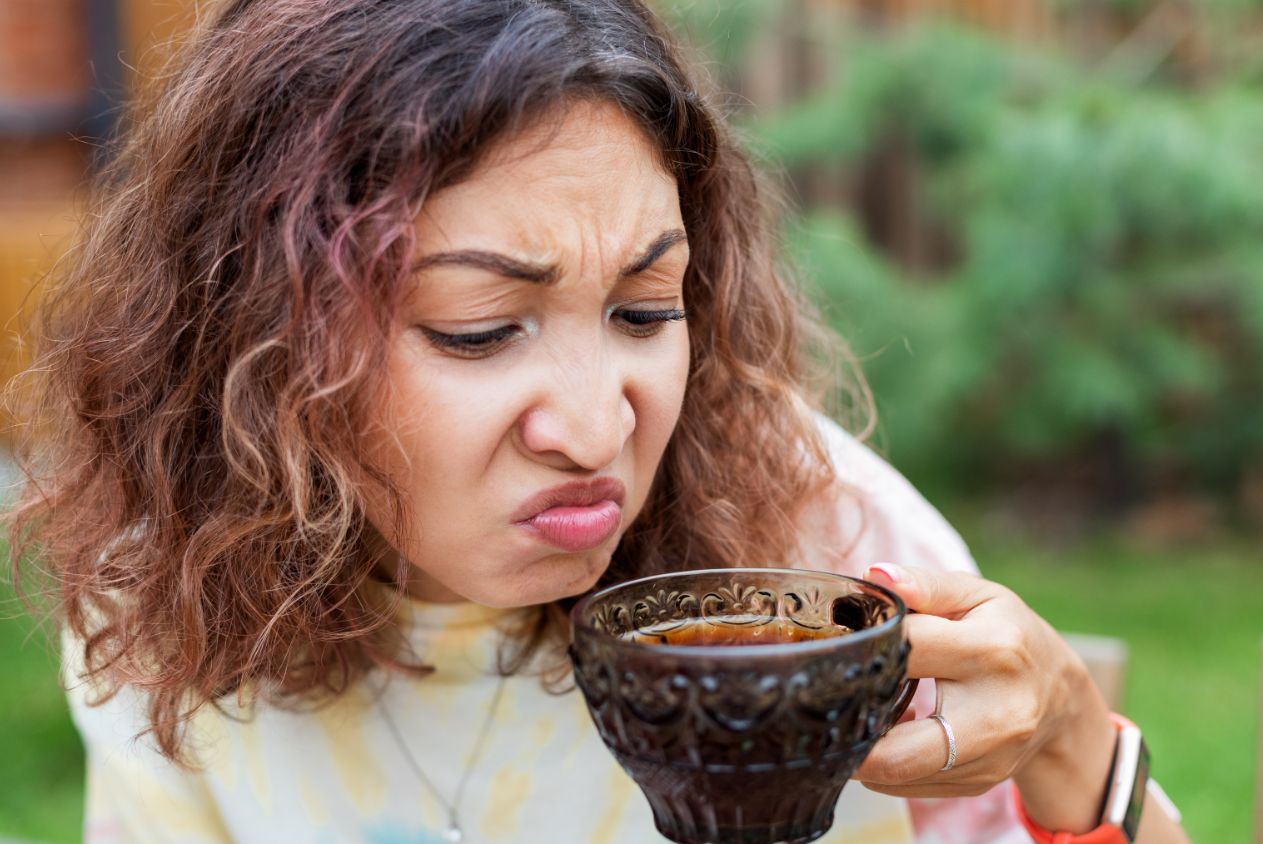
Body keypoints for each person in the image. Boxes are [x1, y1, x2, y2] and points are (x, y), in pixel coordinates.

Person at [8, 1, 1189, 842]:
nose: (592, 428)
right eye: (479, 327)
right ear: (261, 339)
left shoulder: (827, 554)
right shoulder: (158, 601)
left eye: (642, 308)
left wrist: (1074, 745)